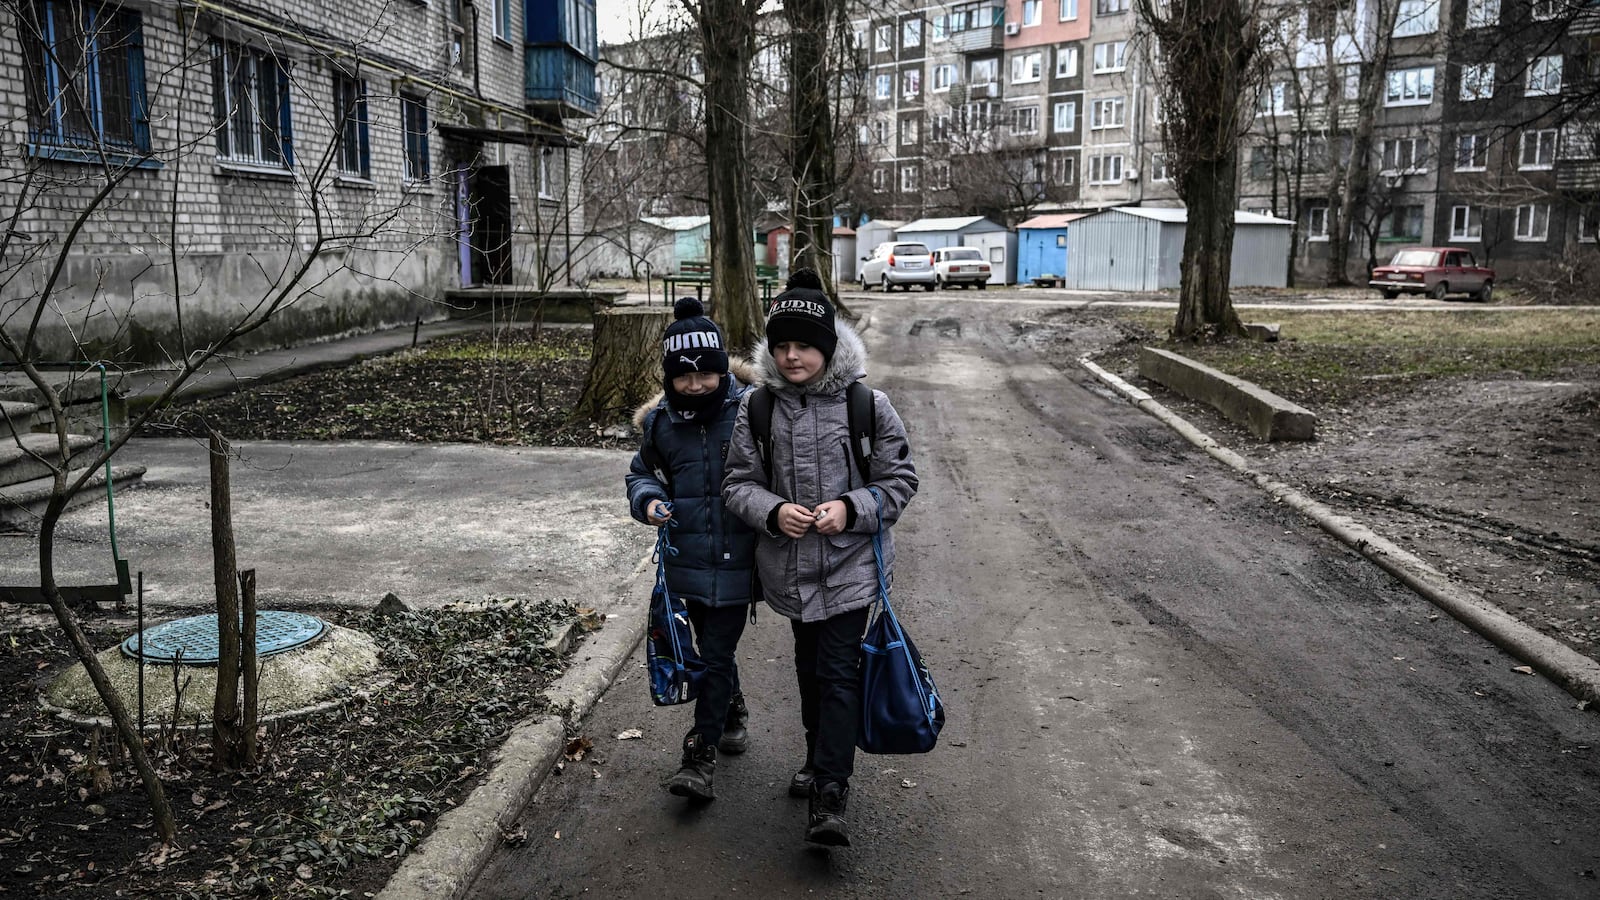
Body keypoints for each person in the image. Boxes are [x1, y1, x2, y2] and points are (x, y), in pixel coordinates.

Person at [723, 269, 918, 847]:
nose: (790, 356)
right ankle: (816, 757)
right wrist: (773, 511)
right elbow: (737, 483)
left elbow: (900, 480)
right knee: (810, 670)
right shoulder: (756, 409)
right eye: (780, 345)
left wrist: (852, 509)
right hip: (789, 569)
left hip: (851, 567)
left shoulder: (867, 405)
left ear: (827, 347)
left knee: (837, 673)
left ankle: (831, 790)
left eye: (803, 345)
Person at [626, 297, 758, 803]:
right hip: (687, 560)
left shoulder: (750, 410)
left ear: (722, 367)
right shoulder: (661, 424)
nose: (697, 384)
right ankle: (733, 708)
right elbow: (641, 473)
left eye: (707, 374)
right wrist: (650, 500)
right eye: (685, 377)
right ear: (669, 378)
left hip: (739, 558)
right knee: (708, 650)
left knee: (718, 652)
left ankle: (698, 757)